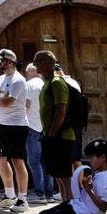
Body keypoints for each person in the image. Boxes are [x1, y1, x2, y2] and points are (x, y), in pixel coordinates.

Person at [37, 139, 107, 214]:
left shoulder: (105, 179)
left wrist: (88, 190)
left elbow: (104, 206)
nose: (90, 160)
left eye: (92, 157)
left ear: (103, 157)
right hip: (79, 208)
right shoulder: (102, 173)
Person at [35, 50, 77, 204]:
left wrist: (52, 133)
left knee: (65, 177)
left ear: (47, 63)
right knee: (59, 177)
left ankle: (71, 208)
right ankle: (66, 207)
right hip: (52, 136)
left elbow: (61, 110)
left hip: (61, 137)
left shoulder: (57, 82)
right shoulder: (47, 82)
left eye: (38, 61)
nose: (35, 64)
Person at [0, 48, 31, 210]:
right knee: (0, 160)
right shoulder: (0, 79)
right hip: (2, 124)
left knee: (17, 161)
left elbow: (8, 101)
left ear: (9, 62)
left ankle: (23, 199)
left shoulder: (18, 80)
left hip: (17, 125)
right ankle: (9, 195)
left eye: (1, 60)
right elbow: (1, 96)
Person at [24, 61, 52, 203]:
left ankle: (39, 193)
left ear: (30, 72)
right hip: (45, 127)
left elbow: (26, 105)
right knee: (45, 161)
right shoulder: (45, 84)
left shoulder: (29, 85)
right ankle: (49, 192)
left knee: (34, 162)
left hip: (32, 126)